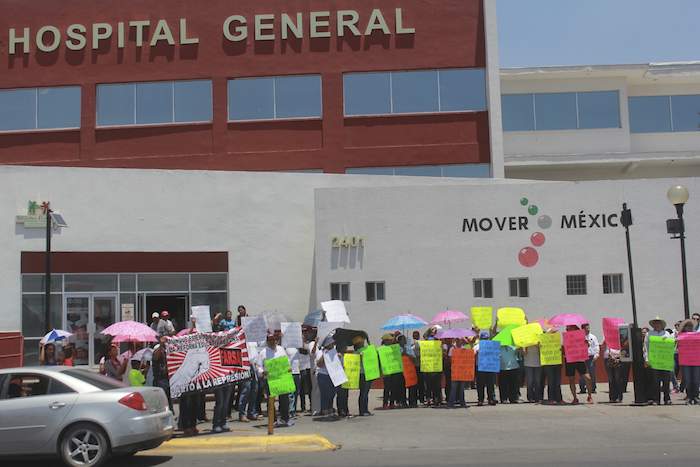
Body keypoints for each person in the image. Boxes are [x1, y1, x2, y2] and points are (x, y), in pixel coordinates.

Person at [258, 330, 294, 427]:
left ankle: (285, 419)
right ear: (267, 341)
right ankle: (273, 420)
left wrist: (289, 368)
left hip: (282, 378)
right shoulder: (263, 352)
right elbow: (259, 366)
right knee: (271, 400)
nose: (272, 342)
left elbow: (287, 361)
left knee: (284, 399)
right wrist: (262, 372)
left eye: (274, 340)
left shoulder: (281, 349)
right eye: (270, 340)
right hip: (270, 379)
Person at [644, 316, 673, 405]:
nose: (657, 325)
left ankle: (667, 399)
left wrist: (668, 341)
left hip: (665, 362)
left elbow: (671, 346)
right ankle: (656, 399)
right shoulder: (649, 334)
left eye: (659, 323)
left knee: (666, 382)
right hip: (654, 361)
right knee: (655, 382)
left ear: (662, 324)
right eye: (655, 323)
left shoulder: (667, 334)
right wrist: (646, 359)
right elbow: (645, 347)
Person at [564, 325, 594, 404]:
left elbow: (586, 346)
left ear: (574, 329)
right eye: (567, 328)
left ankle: (590, 396)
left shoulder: (580, 336)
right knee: (571, 379)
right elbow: (564, 348)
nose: (567, 329)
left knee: (588, 378)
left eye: (569, 328)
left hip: (579, 359)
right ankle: (575, 398)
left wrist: (586, 343)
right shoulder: (566, 336)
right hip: (570, 360)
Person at [678, 319, 699, 405]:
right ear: (684, 328)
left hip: (696, 361)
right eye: (687, 326)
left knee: (696, 379)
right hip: (685, 361)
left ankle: (696, 396)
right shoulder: (680, 336)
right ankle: (689, 396)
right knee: (688, 380)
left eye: (690, 326)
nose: (689, 327)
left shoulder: (697, 336)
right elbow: (673, 344)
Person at [475, 331, 497, 406]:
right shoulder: (477, 346)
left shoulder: (492, 346)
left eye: (486, 338)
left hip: (489, 367)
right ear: (480, 339)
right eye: (484, 338)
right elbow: (472, 356)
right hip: (480, 368)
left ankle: (491, 399)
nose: (485, 340)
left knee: (490, 384)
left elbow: (496, 355)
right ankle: (480, 400)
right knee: (480, 385)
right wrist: (477, 353)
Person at [353, 335, 373, 416]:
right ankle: (362, 410)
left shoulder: (366, 349)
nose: (363, 343)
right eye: (361, 342)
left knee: (366, 393)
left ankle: (366, 409)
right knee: (363, 393)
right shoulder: (357, 352)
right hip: (362, 374)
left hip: (368, 373)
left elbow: (371, 349)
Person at [152, 337, 173, 411]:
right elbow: (156, 357)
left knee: (168, 399)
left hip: (167, 379)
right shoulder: (156, 353)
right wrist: (161, 345)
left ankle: (169, 412)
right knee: (162, 400)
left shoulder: (165, 353)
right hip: (160, 380)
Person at [578, 323, 600, 394]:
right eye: (586, 328)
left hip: (591, 357)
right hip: (582, 357)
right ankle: (582, 388)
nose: (588, 329)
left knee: (592, 372)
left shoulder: (593, 337)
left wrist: (596, 354)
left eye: (588, 328)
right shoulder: (579, 337)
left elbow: (596, 346)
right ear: (583, 329)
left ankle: (593, 388)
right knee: (582, 373)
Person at [447, 338, 467, 408]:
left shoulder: (464, 348)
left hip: (462, 371)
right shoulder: (452, 348)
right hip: (455, 371)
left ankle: (462, 403)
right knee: (454, 388)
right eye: (458, 340)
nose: (459, 341)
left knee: (462, 388)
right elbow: (450, 359)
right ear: (456, 341)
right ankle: (451, 403)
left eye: (460, 340)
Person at [411, 331, 426, 404]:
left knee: (421, 383)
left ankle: (422, 398)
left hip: (421, 365)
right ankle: (414, 399)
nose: (415, 336)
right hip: (413, 366)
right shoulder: (410, 344)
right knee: (414, 384)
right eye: (414, 335)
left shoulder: (422, 343)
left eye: (417, 335)